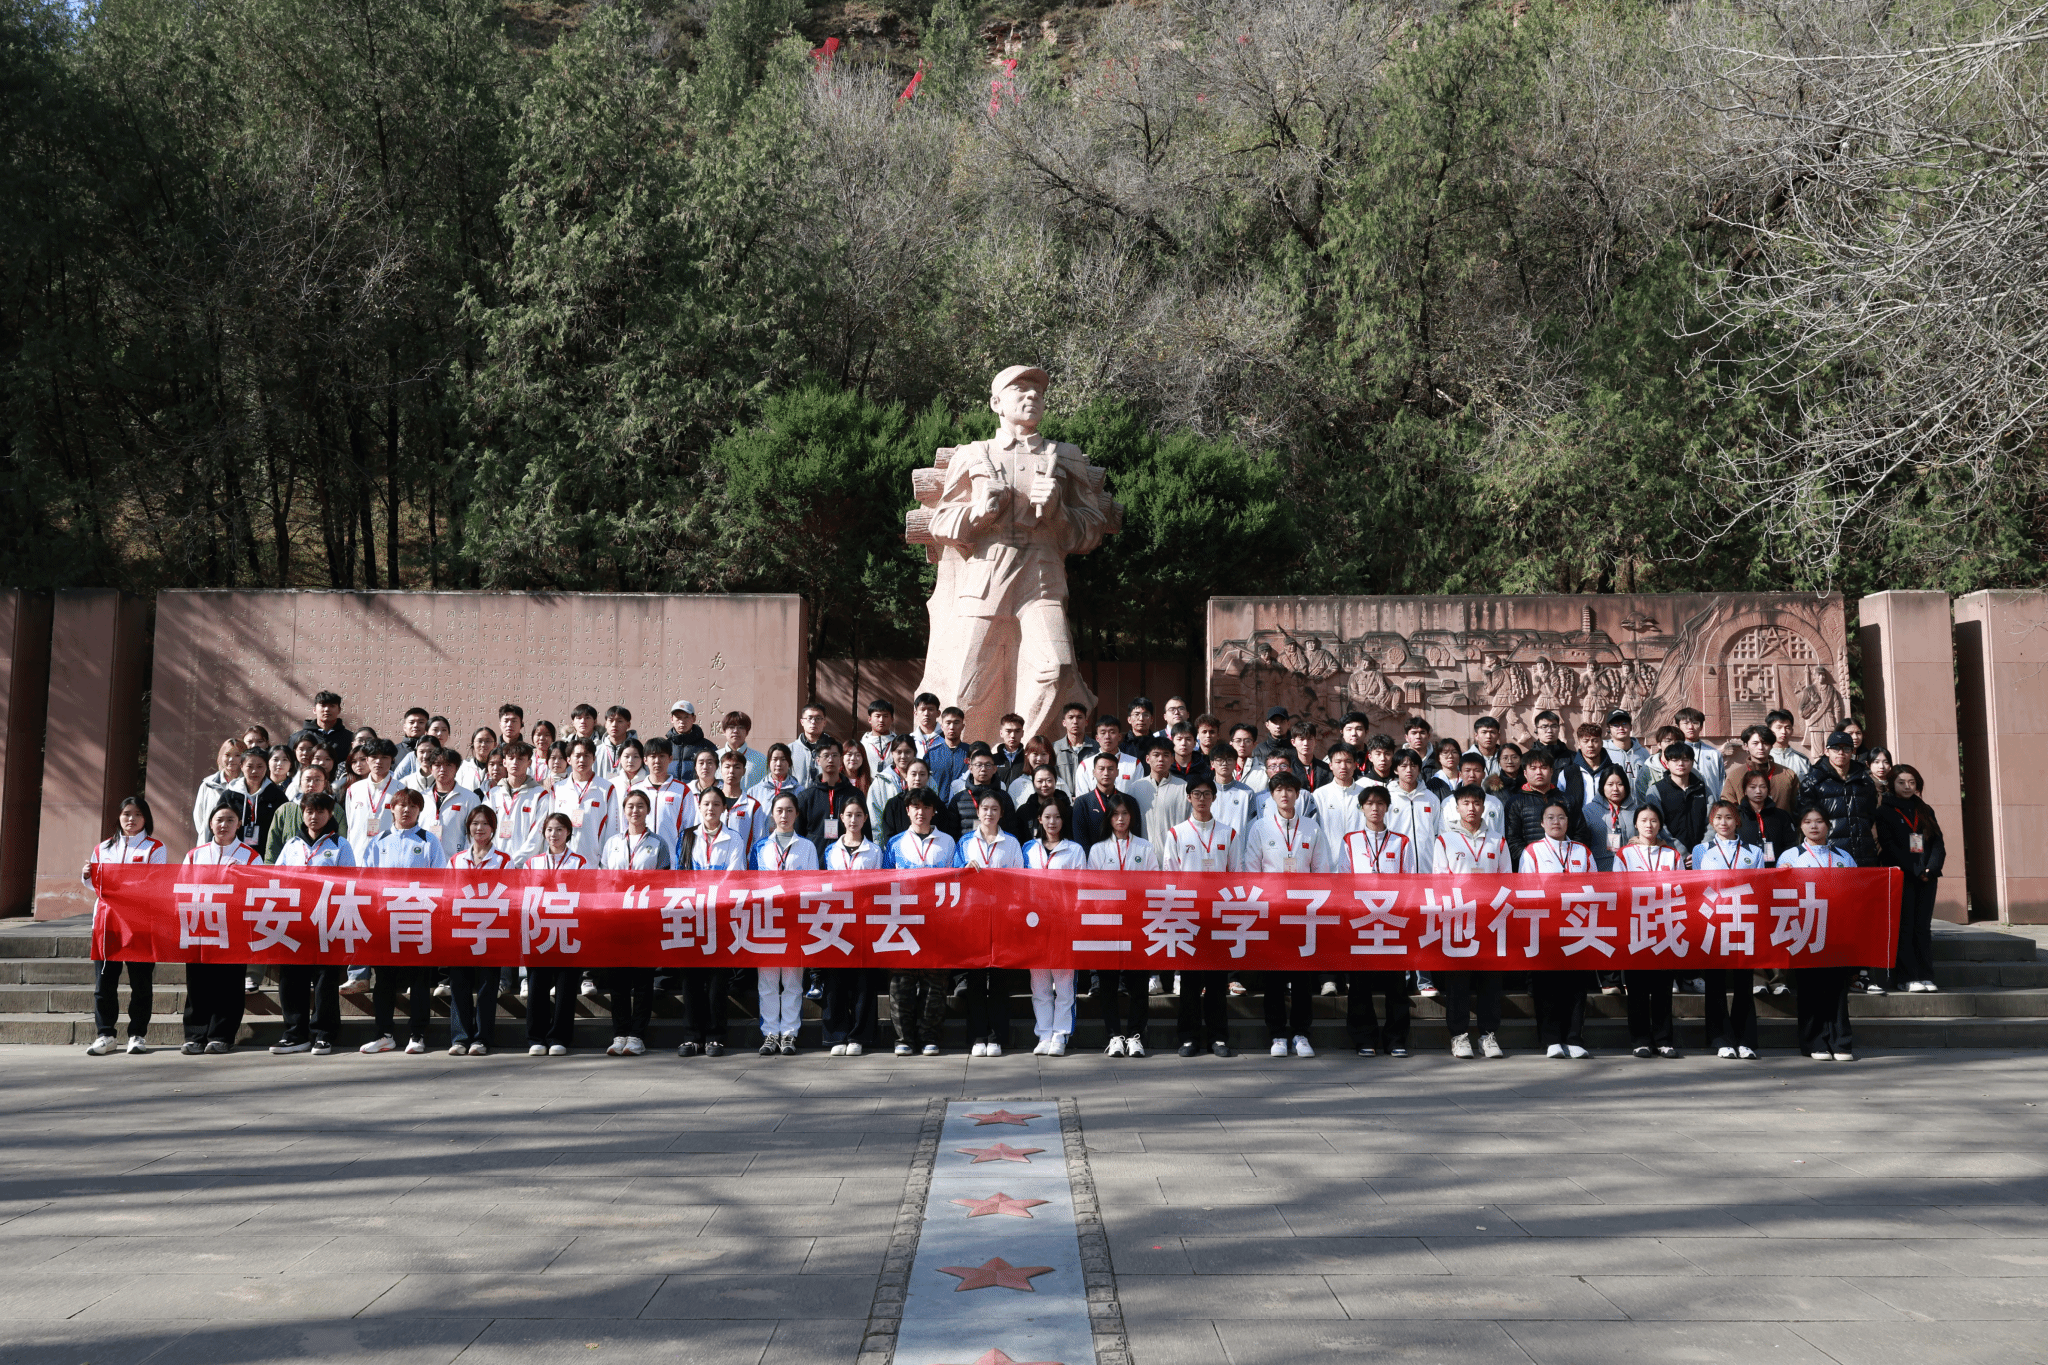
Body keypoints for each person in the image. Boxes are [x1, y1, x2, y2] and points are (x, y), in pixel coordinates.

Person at [1242, 770, 1329, 1058]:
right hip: (1273, 911)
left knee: (1302, 978)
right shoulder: (1260, 828)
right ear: (1272, 795)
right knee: (1274, 977)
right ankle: (1277, 1034)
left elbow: (1321, 870)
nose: (1284, 795)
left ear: (1298, 794)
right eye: (1279, 790)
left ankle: (1301, 1034)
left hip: (1304, 912)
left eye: (1290, 790)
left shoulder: (1311, 828)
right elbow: (1252, 870)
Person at [357, 788, 446, 1056]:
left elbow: (440, 880)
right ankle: (384, 1034)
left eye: (413, 806)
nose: (406, 810)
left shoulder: (429, 840)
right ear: (392, 808)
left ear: (420, 811)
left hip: (418, 918)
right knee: (384, 980)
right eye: (401, 805)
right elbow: (366, 881)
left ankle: (417, 1034)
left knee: (419, 980)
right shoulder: (378, 841)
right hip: (385, 920)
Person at [269, 792, 353, 1057]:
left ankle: (324, 1034)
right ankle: (295, 1033)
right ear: (302, 814)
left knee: (325, 979)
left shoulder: (340, 845)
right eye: (309, 811)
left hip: (326, 920)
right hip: (293, 920)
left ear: (330, 814)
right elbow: (277, 878)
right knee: (291, 978)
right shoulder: (292, 844)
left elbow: (348, 883)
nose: (314, 816)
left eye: (320, 811)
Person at [82, 796, 165, 1056]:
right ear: (119, 817)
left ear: (146, 818)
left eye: (138, 814)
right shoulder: (103, 848)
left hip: (140, 923)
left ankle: (137, 1034)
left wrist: (122, 884)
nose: (131, 819)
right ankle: (105, 1034)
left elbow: (155, 882)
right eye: (127, 814)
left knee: (141, 982)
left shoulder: (154, 848)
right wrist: (87, 875)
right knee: (104, 981)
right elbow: (95, 884)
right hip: (107, 923)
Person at [1431, 784, 1509, 1060]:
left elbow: (1506, 881)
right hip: (1458, 918)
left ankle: (1488, 1035)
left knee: (1490, 981)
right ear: (1457, 807)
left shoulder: (1497, 841)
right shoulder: (1445, 841)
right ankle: (1459, 1035)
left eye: (1476, 803)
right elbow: (1440, 881)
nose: (1472, 808)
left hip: (1489, 920)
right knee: (1458, 981)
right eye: (1466, 803)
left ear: (1484, 806)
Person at [1162, 777, 1236, 1057]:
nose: (1202, 799)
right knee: (1190, 981)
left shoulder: (1228, 833)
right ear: (1188, 797)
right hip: (1188, 914)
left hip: (1218, 914)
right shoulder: (1177, 833)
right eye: (1196, 793)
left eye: (1207, 794)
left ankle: (1218, 1038)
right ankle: (1188, 1038)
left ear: (1214, 798)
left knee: (1217, 981)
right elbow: (1170, 876)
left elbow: (1236, 874)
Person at [1780, 805, 1859, 1061]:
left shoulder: (1844, 857)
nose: (1814, 826)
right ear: (1800, 826)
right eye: (1807, 821)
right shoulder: (1790, 856)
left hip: (1836, 928)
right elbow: (1781, 893)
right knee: (1810, 987)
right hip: (1805, 928)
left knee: (1837, 987)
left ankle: (1841, 1041)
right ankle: (1814, 1041)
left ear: (1828, 825)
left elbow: (1858, 890)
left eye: (1819, 821)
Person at [674, 787, 748, 1058]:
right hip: (691, 915)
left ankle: (715, 1036)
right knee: (690, 979)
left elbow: (735, 876)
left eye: (716, 804)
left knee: (717, 979)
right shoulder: (687, 837)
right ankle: (692, 1036)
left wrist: (712, 897)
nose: (710, 809)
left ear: (724, 808)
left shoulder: (734, 838)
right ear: (699, 806)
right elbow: (680, 875)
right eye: (706, 803)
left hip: (720, 916)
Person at [1340, 787, 1413, 1059]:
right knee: (1360, 982)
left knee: (1396, 983)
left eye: (1380, 803)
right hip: (1362, 918)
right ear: (1361, 808)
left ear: (1387, 808)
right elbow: (1344, 879)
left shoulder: (1400, 842)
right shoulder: (1350, 840)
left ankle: (1396, 1039)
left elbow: (1410, 880)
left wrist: (1401, 914)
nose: (1375, 808)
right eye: (1369, 803)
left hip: (1393, 919)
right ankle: (1364, 1038)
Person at [1518, 798, 1595, 1059]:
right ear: (1541, 823)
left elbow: (1594, 887)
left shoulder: (1582, 851)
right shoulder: (1532, 852)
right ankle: (1551, 1039)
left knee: (1576, 985)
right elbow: (1526, 889)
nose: (1556, 822)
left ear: (1568, 822)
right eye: (1550, 817)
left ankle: (1574, 1038)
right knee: (1547, 984)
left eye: (1561, 817)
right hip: (1546, 925)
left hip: (1578, 925)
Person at [598, 789, 670, 1057]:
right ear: (624, 810)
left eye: (640, 806)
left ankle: (637, 1035)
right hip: (617, 917)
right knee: (617, 980)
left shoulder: (658, 843)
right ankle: (619, 1034)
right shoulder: (612, 842)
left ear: (648, 810)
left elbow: (664, 881)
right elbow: (604, 879)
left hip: (644, 918)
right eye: (630, 806)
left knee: (642, 980)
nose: (635, 811)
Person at [884, 790, 956, 1056]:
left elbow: (955, 881)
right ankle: (904, 1038)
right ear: (907, 810)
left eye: (926, 807)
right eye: (915, 806)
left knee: (935, 981)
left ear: (933, 810)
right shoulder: (894, 844)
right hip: (903, 921)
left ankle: (929, 1037)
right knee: (901, 982)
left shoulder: (948, 842)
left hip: (938, 922)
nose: (920, 812)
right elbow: (884, 882)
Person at [180, 802, 256, 1054]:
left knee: (229, 983)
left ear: (239, 824)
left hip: (233, 928)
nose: (224, 825)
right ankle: (195, 1035)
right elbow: (182, 888)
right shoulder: (195, 855)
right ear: (210, 823)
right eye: (219, 820)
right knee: (197, 982)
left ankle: (222, 1035)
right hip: (199, 925)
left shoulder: (250, 856)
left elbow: (257, 891)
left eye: (230, 820)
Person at [955, 790, 1026, 1056]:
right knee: (975, 980)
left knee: (998, 979)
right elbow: (953, 876)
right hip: (973, 917)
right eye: (985, 808)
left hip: (1002, 917)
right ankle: (977, 1037)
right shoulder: (965, 842)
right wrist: (964, 869)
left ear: (1001, 813)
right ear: (978, 811)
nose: (989, 813)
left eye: (994, 809)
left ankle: (996, 1037)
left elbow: (1020, 880)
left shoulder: (1012, 843)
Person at [1083, 794, 1154, 1058]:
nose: (1120, 819)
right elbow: (1093, 889)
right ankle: (1114, 1036)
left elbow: (1152, 885)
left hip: (1137, 923)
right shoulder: (1098, 850)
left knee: (1139, 983)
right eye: (1115, 814)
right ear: (1109, 818)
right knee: (1108, 983)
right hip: (1108, 922)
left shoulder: (1145, 847)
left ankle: (1135, 1036)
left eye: (1124, 813)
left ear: (1131, 817)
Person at [751, 792, 819, 1056]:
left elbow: (813, 886)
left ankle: (789, 1033)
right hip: (766, 920)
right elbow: (752, 885)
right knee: (767, 981)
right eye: (779, 810)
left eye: (790, 810)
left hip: (795, 921)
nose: (784, 815)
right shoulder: (760, 847)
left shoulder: (807, 847)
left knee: (792, 981)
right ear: (772, 814)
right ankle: (770, 1033)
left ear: (797, 814)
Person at [1695, 801, 1764, 1059]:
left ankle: (1745, 1039)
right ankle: (1720, 1038)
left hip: (1744, 920)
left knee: (1744, 982)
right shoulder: (1701, 850)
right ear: (1711, 822)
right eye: (1718, 818)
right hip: (1713, 921)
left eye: (1728, 817)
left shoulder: (1753, 851)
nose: (1723, 823)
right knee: (1715, 982)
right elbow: (1697, 887)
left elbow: (1760, 887)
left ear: (1737, 821)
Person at [1617, 804, 1685, 1059]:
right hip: (1635, 925)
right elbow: (1618, 890)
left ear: (1660, 824)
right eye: (1644, 820)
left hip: (1665, 926)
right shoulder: (1625, 854)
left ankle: (1663, 1039)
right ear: (1635, 824)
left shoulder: (1672, 855)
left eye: (1654, 820)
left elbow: (1682, 889)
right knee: (1636, 987)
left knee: (1662, 988)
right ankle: (1640, 1040)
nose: (1649, 825)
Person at [821, 793, 885, 1057]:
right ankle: (837, 1034)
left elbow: (880, 888)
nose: (853, 820)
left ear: (865, 818)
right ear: (841, 818)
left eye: (859, 815)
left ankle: (859, 1035)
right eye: (849, 815)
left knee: (863, 982)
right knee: (835, 981)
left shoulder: (875, 851)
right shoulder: (830, 850)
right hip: (835, 923)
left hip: (864, 922)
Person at [446, 806, 510, 1056]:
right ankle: (460, 1037)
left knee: (487, 986)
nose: (479, 828)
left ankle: (482, 1038)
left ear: (493, 828)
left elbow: (509, 893)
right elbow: (448, 892)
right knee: (459, 984)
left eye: (484, 823)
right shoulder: (456, 860)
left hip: (490, 929)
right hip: (462, 928)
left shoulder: (503, 860)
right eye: (474, 823)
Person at [1875, 764, 1945, 993]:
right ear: (1892, 784)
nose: (1907, 786)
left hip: (1927, 877)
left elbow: (1937, 843)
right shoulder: (1885, 811)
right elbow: (1888, 845)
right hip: (1902, 876)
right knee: (1905, 926)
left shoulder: (1924, 809)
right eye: (1902, 782)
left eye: (1912, 782)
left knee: (1922, 928)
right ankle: (1907, 977)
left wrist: (1931, 869)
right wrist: (1915, 869)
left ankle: (1926, 976)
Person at [523, 812, 585, 1057]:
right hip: (539, 929)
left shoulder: (579, 862)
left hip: (568, 928)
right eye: (549, 829)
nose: (554, 834)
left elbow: (584, 894)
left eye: (559, 829)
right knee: (537, 985)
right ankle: (536, 1037)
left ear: (568, 832)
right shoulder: (532, 863)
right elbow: (525, 895)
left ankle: (559, 1036)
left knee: (565, 985)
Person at [1647, 743, 1711, 856]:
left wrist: (1701, 850)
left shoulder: (1703, 789)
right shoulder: (1656, 791)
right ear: (1667, 763)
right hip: (1669, 854)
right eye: (1675, 760)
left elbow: (1712, 821)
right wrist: (1680, 852)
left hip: (1703, 854)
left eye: (1685, 759)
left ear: (1692, 762)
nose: (1680, 763)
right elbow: (1658, 826)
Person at [1721, 724, 1801, 810]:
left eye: (1765, 743)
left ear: (1771, 746)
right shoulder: (1735, 776)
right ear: (1746, 746)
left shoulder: (1788, 775)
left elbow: (1798, 807)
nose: (1760, 747)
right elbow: (1728, 809)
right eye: (1755, 743)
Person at [1125, 739, 1189, 847]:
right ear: (1147, 759)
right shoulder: (1135, 788)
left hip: (1174, 851)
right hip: (1142, 852)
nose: (1161, 759)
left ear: (1172, 759)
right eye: (1156, 755)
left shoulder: (1184, 788)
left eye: (1166, 755)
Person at [1584, 768, 1641, 872]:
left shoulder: (1638, 811)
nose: (1615, 789)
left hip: (1632, 869)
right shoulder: (1588, 811)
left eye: (1620, 784)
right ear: (1602, 787)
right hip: (1600, 871)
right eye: (1610, 784)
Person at [191, 739, 245, 841]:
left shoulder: (248, 785)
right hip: (209, 843)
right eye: (227, 755)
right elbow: (199, 816)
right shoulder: (208, 784)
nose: (231, 759)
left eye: (237, 755)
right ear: (220, 757)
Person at [716, 710, 767, 790]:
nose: (736, 731)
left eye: (740, 727)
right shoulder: (714, 758)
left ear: (747, 732)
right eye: (731, 727)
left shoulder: (760, 759)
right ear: (724, 731)